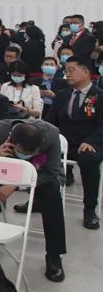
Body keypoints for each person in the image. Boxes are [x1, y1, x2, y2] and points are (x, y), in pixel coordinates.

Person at [0, 119, 66, 282]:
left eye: (33, 152)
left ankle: (54, 255)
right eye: (23, 152)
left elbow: (52, 174)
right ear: (11, 140)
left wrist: (16, 185)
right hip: (5, 171)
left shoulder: (51, 135)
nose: (27, 155)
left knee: (52, 194)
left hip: (40, 176)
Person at [44, 56, 102, 230]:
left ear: (86, 72)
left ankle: (90, 209)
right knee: (40, 153)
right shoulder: (62, 95)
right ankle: (41, 199)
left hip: (89, 143)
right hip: (63, 143)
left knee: (89, 159)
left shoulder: (99, 96)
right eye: (66, 70)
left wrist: (91, 141)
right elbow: (50, 120)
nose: (67, 74)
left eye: (71, 70)